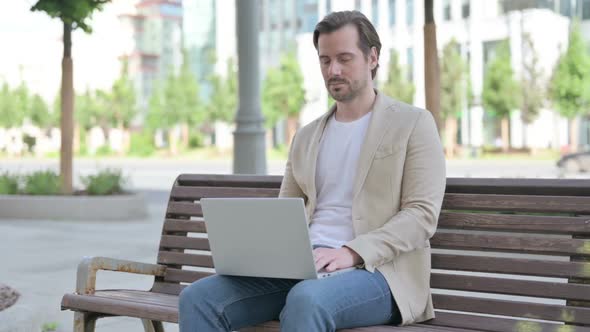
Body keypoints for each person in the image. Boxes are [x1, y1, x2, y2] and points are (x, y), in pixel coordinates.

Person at [179, 10, 446, 331]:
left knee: (307, 299)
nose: (333, 70)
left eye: (344, 59)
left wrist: (353, 251)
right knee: (199, 297)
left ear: (372, 57)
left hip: (380, 273)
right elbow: (285, 212)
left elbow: (421, 215)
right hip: (305, 267)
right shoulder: (306, 136)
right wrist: (260, 254)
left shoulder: (413, 123)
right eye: (325, 60)